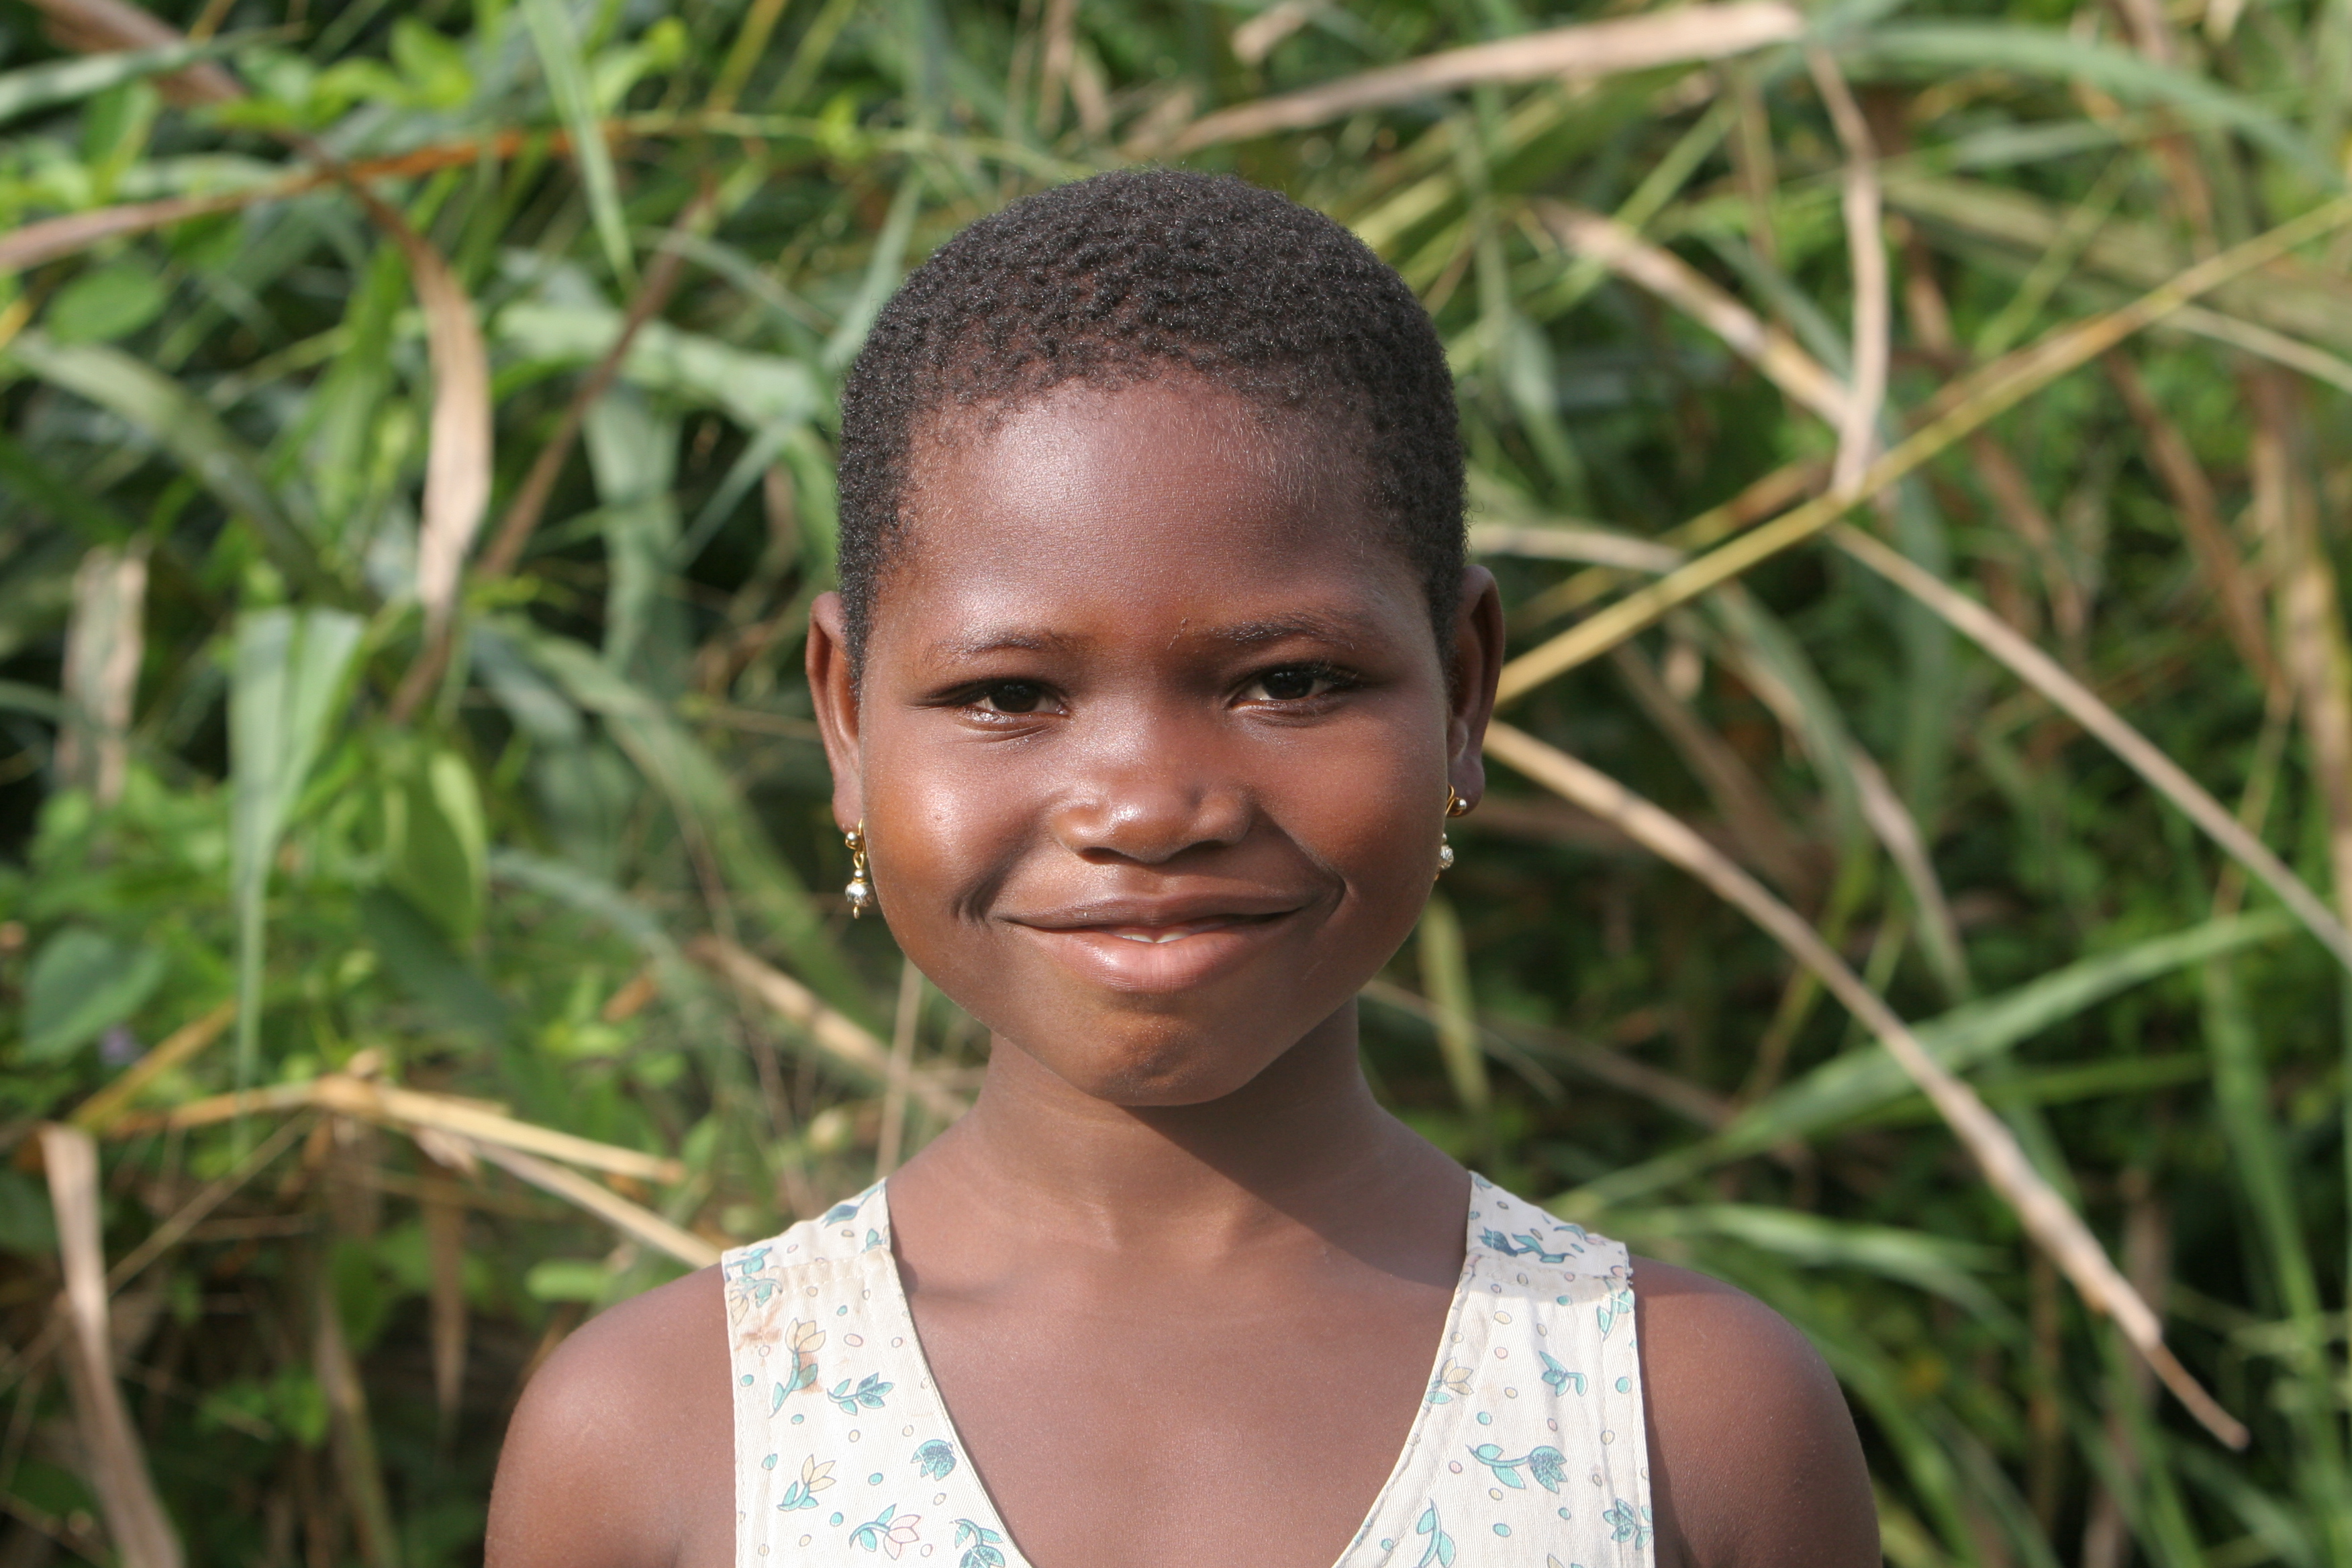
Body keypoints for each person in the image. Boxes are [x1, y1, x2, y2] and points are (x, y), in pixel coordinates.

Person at [485, 168, 1877, 1568]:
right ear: (846, 714)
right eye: (1007, 695)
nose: (1150, 807)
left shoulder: (1680, 1423)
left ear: (1461, 691)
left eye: (1291, 680)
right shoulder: (666, 1441)